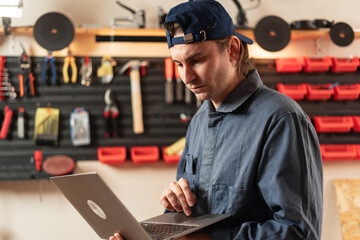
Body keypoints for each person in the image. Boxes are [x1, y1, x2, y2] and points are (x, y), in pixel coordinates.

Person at [110, 0, 323, 239]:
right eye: (178, 64)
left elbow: (298, 232)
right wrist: (175, 208)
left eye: (196, 60)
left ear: (232, 49)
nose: (187, 78)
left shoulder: (281, 118)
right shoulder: (200, 120)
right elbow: (200, 216)